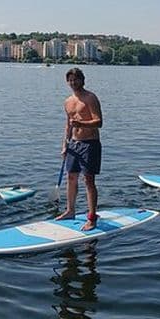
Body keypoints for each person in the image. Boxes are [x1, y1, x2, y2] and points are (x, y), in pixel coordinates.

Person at [57, 68, 103, 231]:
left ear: (82, 80)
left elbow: (99, 122)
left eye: (76, 79)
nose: (73, 83)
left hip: (90, 143)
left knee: (88, 181)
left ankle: (92, 217)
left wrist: (81, 124)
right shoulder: (68, 101)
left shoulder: (90, 98)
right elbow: (68, 124)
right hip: (74, 144)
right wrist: (65, 144)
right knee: (71, 177)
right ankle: (70, 210)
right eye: (70, 80)